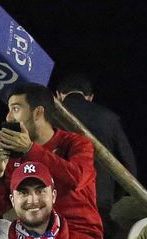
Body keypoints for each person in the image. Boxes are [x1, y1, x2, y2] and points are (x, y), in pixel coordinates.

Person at [0, 80, 102, 239]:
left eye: (15, 109)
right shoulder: (15, 155)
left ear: (37, 113)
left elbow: (76, 178)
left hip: (78, 235)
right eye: (9, 109)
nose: (8, 117)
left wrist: (30, 150)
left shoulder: (76, 143)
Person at [52, 74, 137, 225]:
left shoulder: (48, 117)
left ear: (58, 95)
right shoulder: (110, 118)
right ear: (90, 97)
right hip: (100, 199)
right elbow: (128, 165)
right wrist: (112, 196)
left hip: (59, 199)